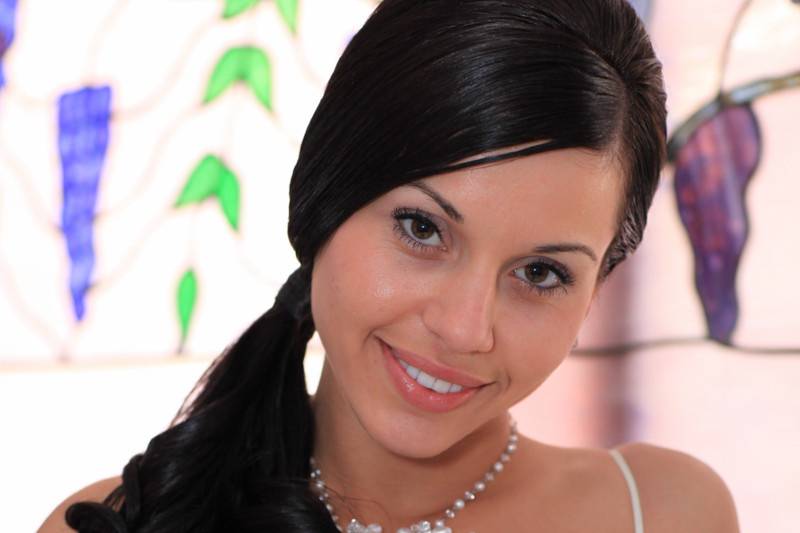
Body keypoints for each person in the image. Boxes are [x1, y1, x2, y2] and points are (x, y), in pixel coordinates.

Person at [41, 0, 740, 531]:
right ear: (324, 197)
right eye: (421, 227)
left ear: (592, 296)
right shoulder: (118, 521)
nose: (467, 328)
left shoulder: (662, 511)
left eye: (541, 273)